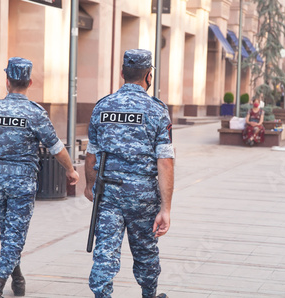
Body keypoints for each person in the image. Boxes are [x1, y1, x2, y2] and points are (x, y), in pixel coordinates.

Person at [0, 57, 79, 297]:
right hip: (22, 181)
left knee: (8, 233)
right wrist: (70, 169)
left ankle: (18, 279)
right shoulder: (34, 113)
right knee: (14, 236)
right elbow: (55, 147)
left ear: (7, 82)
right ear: (30, 82)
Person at [84, 49, 174, 298]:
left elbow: (91, 153)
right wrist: (165, 208)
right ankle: (149, 294)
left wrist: (90, 185)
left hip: (108, 192)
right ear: (149, 75)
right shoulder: (156, 110)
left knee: (105, 252)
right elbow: (165, 162)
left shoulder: (103, 106)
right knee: (145, 251)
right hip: (142, 196)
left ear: (122, 73)